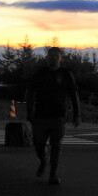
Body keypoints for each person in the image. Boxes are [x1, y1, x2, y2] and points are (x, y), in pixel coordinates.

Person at [26, 47, 81, 185]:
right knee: (38, 143)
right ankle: (43, 160)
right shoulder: (40, 73)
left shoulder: (66, 74)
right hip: (40, 116)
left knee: (56, 145)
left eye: (57, 55)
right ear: (47, 58)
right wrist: (29, 111)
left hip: (59, 116)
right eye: (51, 55)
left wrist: (77, 114)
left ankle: (53, 174)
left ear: (61, 58)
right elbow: (31, 93)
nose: (54, 58)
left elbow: (74, 95)